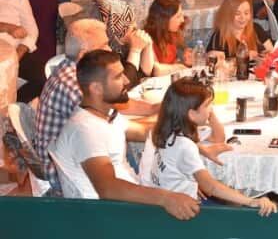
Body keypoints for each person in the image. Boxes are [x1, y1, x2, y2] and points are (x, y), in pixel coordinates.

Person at [49, 50, 200, 220]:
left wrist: (187, 123)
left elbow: (144, 131)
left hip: (128, 202)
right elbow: (108, 189)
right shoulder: (85, 130)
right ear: (96, 88)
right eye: (118, 76)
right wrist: (166, 198)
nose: (127, 81)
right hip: (112, 216)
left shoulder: (105, 115)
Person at [36, 19, 157, 191]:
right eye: (104, 45)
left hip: (81, 163)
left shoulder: (72, 70)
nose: (109, 50)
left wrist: (157, 113)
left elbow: (120, 120)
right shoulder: (76, 85)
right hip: (70, 180)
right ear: (83, 54)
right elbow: (108, 189)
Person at [139, 78, 276, 215]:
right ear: (192, 114)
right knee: (237, 209)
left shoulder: (165, 131)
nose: (211, 109)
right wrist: (250, 201)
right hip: (180, 212)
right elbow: (210, 187)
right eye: (207, 105)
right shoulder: (185, 146)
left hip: (162, 206)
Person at [95, 0, 155, 84]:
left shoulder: (122, 48)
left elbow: (144, 74)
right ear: (115, 28)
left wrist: (148, 45)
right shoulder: (101, 53)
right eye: (127, 23)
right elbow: (125, 84)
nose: (135, 26)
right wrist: (135, 50)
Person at [207, 0, 271, 60]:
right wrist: (246, 57)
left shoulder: (256, 28)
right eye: (237, 14)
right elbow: (216, 64)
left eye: (246, 13)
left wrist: (265, 57)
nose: (243, 18)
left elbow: (272, 52)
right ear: (228, 14)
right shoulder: (220, 37)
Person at [145, 0, 192, 74]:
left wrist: (185, 60)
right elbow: (156, 70)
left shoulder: (171, 33)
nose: (182, 20)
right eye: (178, 16)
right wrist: (181, 66)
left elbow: (171, 63)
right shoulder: (147, 39)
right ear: (164, 20)